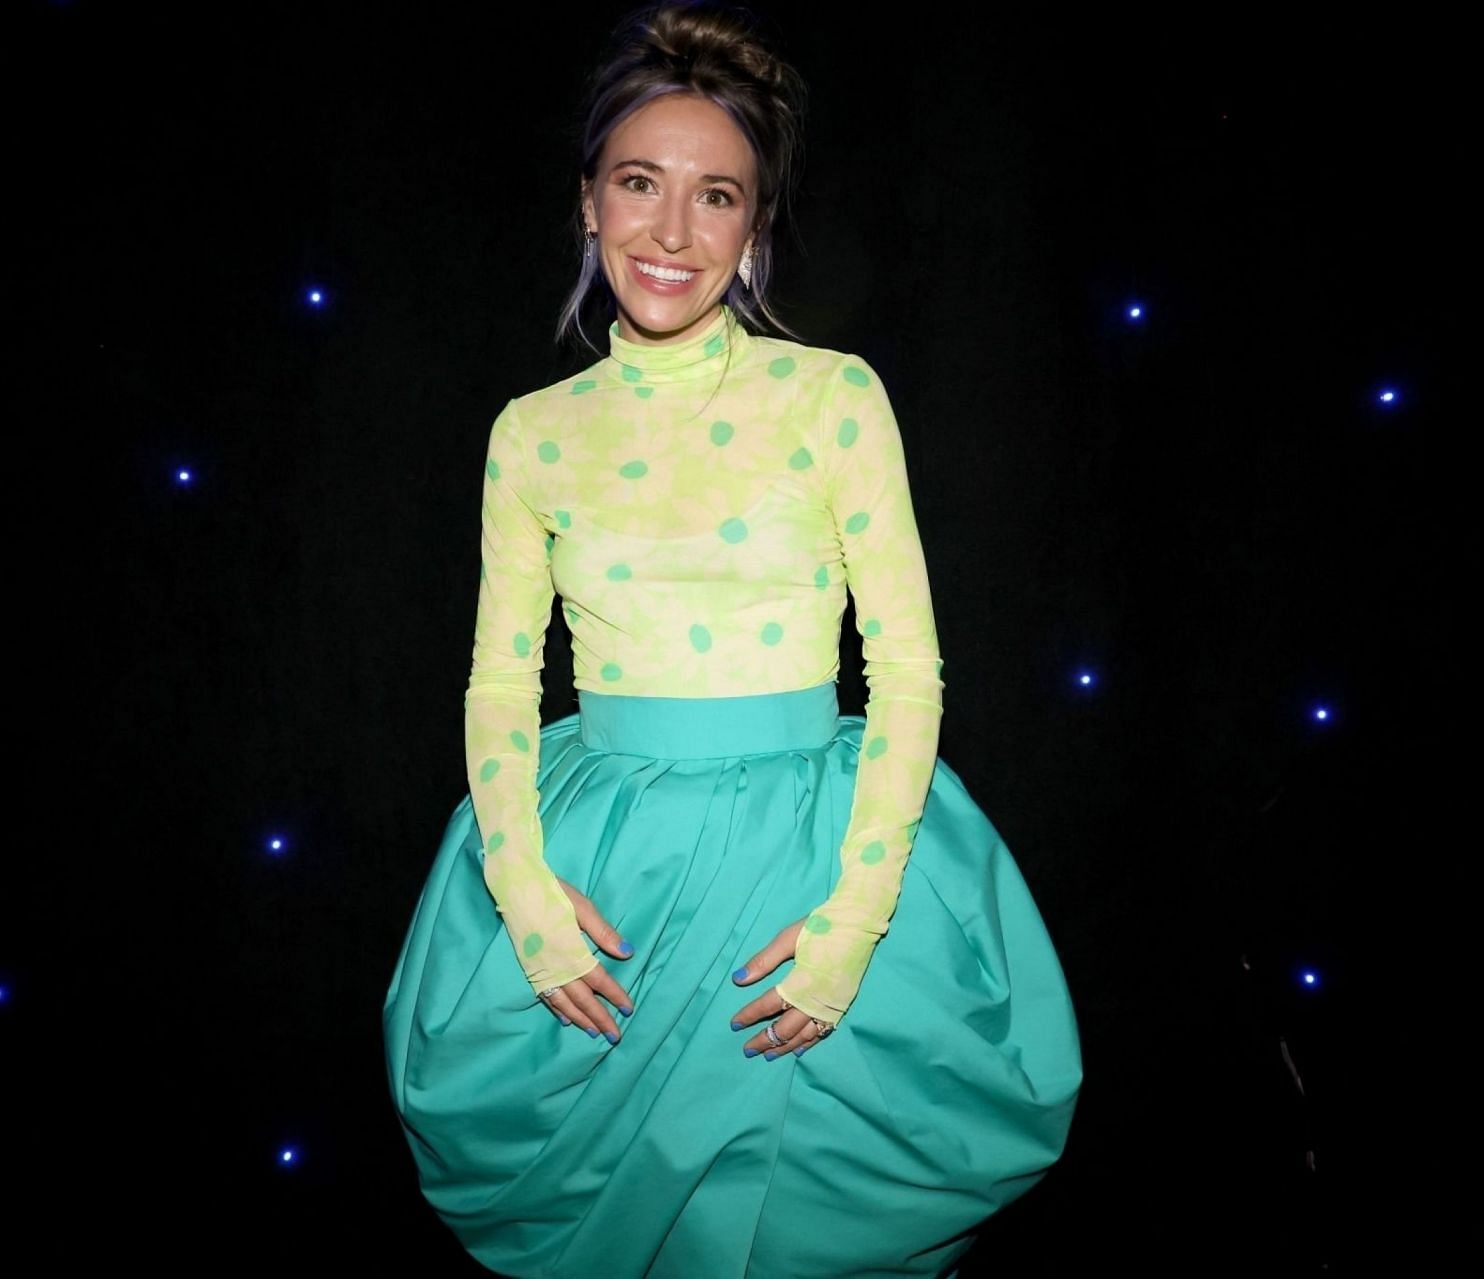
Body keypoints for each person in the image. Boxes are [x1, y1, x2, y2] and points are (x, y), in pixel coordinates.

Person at [382, 4, 1081, 1275]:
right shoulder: (532, 431)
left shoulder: (832, 394)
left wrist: (856, 919)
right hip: (610, 877)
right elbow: (497, 678)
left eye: (718, 196)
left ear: (753, 229)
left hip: (813, 860)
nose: (673, 229)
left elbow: (911, 668)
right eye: (641, 184)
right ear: (590, 201)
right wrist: (526, 899)